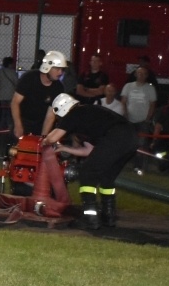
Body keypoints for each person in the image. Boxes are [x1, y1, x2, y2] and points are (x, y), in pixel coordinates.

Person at [43, 93, 138, 229]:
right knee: (107, 177)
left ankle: (90, 219)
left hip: (116, 136)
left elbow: (52, 138)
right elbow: (89, 151)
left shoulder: (74, 113)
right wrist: (65, 148)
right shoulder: (87, 114)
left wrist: (43, 141)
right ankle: (108, 216)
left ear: (63, 109)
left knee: (87, 173)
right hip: (131, 138)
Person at [11, 50, 66, 140]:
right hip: (22, 120)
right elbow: (15, 102)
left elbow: (50, 115)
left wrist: (43, 137)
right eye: (57, 69)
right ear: (47, 67)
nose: (60, 72)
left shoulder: (58, 87)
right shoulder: (29, 78)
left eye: (62, 69)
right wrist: (18, 125)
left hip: (41, 123)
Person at [120, 66, 158, 172]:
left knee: (141, 145)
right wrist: (125, 115)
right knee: (126, 143)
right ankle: (122, 164)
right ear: (136, 74)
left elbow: (152, 105)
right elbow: (123, 101)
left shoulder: (150, 88)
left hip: (143, 121)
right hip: (129, 120)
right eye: (139, 73)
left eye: (144, 73)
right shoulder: (128, 86)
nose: (141, 75)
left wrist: (148, 119)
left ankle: (139, 167)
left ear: (146, 75)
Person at [0, 56, 17, 131]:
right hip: (10, 95)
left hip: (1, 95)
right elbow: (16, 82)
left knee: (3, 113)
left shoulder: (0, 71)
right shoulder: (13, 72)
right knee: (9, 113)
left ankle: (1, 127)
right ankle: (9, 127)